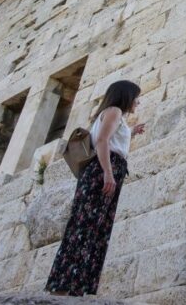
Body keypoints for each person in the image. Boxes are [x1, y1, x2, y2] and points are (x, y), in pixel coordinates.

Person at [46, 80, 145, 296]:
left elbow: (111, 139)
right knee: (87, 227)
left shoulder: (112, 114)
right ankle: (67, 285)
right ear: (126, 95)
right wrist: (108, 173)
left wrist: (132, 132)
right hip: (104, 170)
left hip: (107, 168)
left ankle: (74, 286)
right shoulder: (115, 111)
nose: (138, 101)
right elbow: (102, 141)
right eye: (136, 96)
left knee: (95, 227)